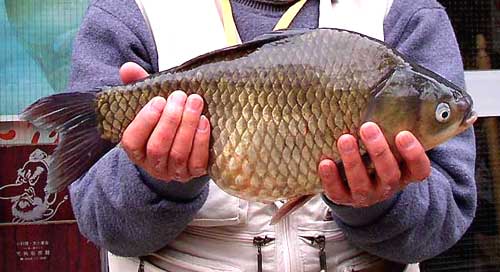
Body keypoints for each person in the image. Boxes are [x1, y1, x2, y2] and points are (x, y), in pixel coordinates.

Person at [67, 0, 477, 271]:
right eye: (442, 113)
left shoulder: (404, 12)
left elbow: (445, 220)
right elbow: (103, 226)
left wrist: (378, 202)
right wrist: (157, 176)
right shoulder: (130, 13)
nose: (446, 117)